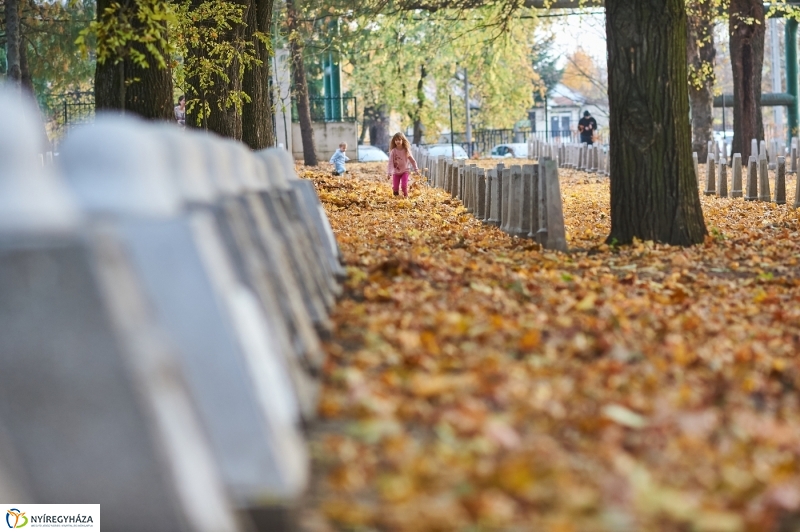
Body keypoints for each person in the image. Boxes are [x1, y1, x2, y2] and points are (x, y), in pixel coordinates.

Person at [386, 132, 419, 199]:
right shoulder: (393, 151)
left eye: (399, 139)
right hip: (396, 172)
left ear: (402, 140)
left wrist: (416, 169)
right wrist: (389, 172)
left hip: (405, 171)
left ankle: (406, 196)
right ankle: (396, 197)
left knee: (404, 186)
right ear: (394, 141)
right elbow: (390, 162)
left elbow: (412, 160)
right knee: (395, 188)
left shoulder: (406, 150)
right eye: (396, 140)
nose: (397, 141)